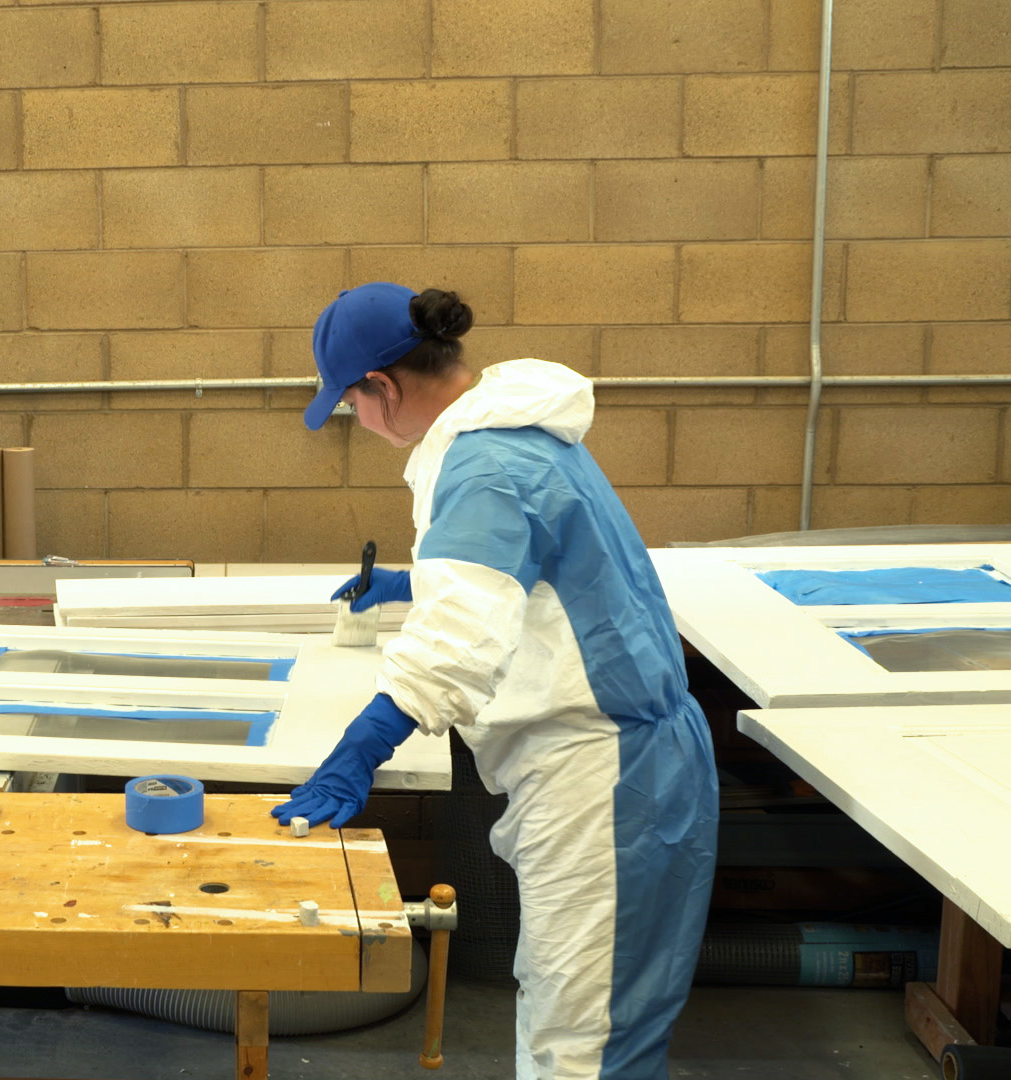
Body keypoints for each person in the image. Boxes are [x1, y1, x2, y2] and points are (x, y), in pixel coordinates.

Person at [276, 283, 718, 1080]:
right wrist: (413, 583)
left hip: (604, 778)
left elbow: (455, 645)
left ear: (382, 387)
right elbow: (538, 567)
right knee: (587, 1024)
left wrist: (360, 749)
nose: (356, 421)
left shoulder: (483, 463)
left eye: (349, 404)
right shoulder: (515, 432)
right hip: (630, 758)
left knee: (585, 1047)